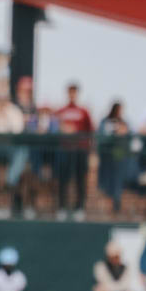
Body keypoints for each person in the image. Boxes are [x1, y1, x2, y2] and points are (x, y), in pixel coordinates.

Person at [55, 83, 93, 221]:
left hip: (80, 151)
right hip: (65, 150)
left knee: (80, 179)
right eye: (70, 92)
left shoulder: (84, 111)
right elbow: (55, 127)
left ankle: (79, 208)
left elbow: (90, 130)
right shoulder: (61, 111)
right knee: (63, 179)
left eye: (74, 92)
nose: (72, 95)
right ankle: (62, 208)